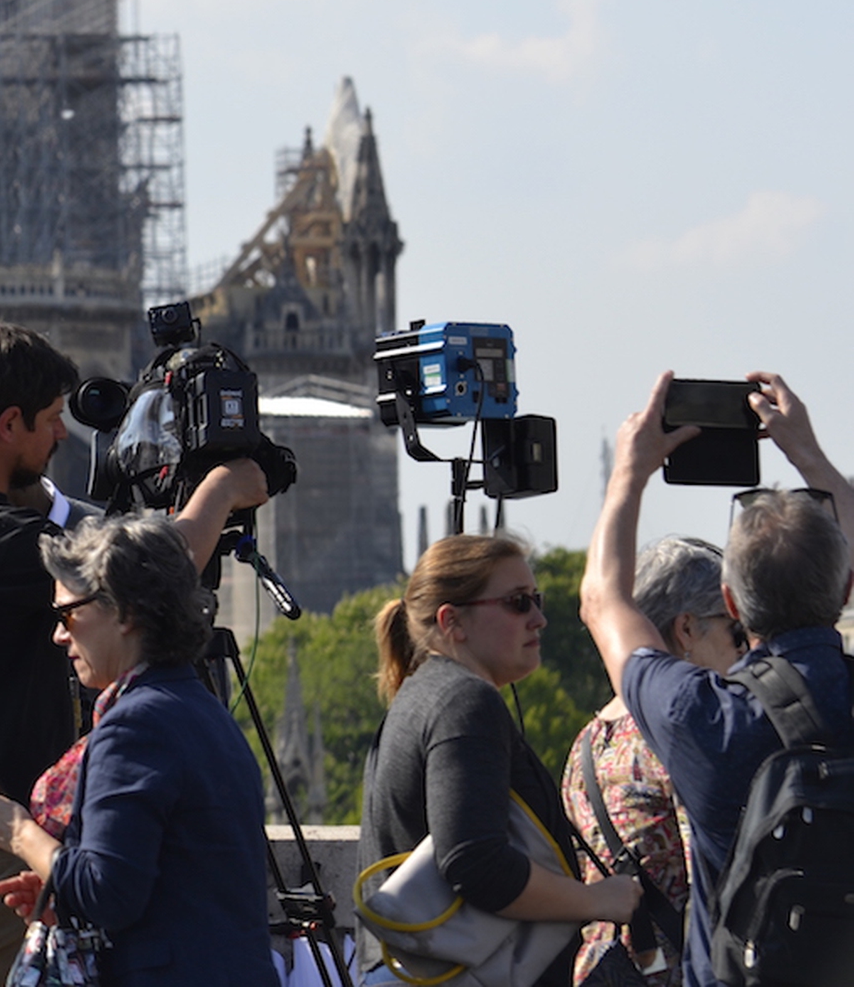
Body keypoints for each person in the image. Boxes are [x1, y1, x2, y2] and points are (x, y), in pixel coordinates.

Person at [0, 324, 268, 987]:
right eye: (52, 419)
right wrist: (222, 491)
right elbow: (162, 566)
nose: (63, 435)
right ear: (8, 424)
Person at [580, 370, 854, 987]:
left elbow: (602, 600)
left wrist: (631, 469)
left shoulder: (699, 715)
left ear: (730, 603)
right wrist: (806, 452)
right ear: (845, 589)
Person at [0, 513, 277, 987]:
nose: (59, 634)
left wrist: (21, 835)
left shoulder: (135, 725)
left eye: (68, 613)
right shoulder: (202, 709)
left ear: (126, 612)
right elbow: (175, 882)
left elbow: (105, 893)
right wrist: (60, 891)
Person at [360, 533, 641, 987]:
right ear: (453, 622)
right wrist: (595, 901)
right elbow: (476, 863)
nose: (540, 619)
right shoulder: (464, 702)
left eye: (537, 599)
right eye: (517, 603)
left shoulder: (422, 694)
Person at [561, 535, 739, 987]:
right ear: (686, 631)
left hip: (604, 968)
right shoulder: (677, 738)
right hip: (673, 971)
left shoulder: (589, 740)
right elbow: (714, 885)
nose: (743, 647)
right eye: (734, 628)